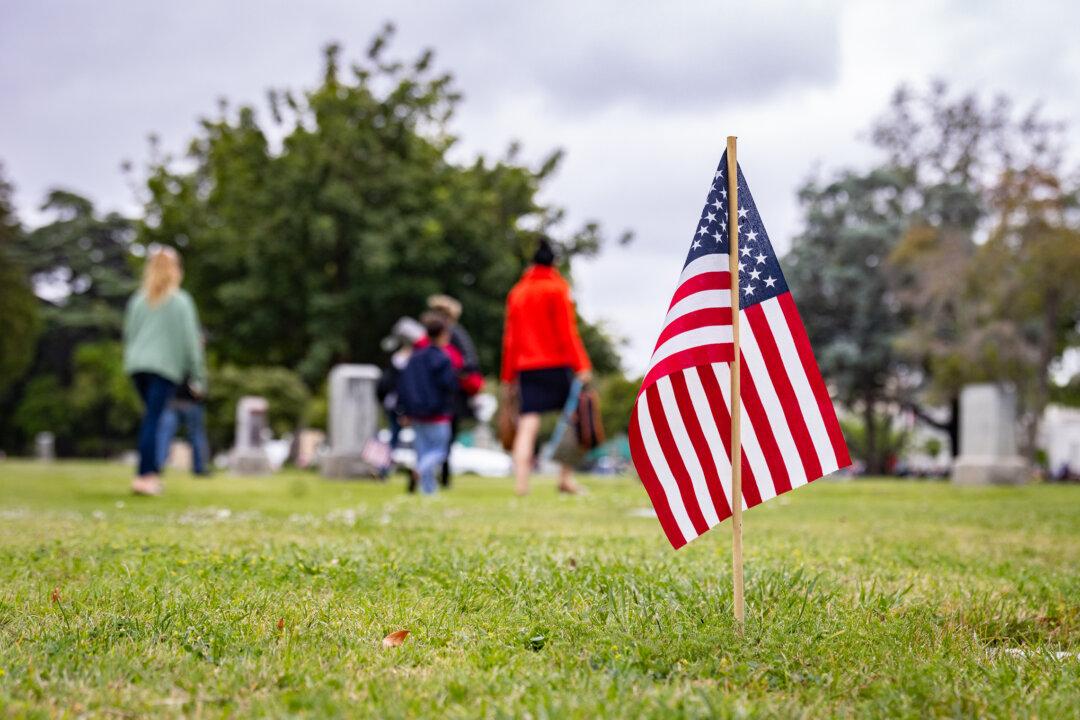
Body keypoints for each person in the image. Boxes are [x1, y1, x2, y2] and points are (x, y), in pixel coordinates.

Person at [501, 237, 591, 496]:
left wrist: (508, 376)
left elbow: (510, 339)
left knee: (528, 423)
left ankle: (521, 484)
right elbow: (567, 332)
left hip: (526, 366)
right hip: (557, 362)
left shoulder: (517, 293)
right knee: (574, 420)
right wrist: (582, 365)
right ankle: (565, 478)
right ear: (555, 263)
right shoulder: (557, 288)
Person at [122, 247, 207, 496]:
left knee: (151, 418)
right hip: (164, 368)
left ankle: (148, 472)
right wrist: (198, 376)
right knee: (154, 420)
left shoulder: (139, 300)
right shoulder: (180, 301)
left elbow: (129, 335)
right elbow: (191, 342)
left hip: (137, 367)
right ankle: (146, 477)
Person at [423, 294, 484, 488]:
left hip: (440, 393)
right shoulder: (449, 333)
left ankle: (433, 473)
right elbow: (470, 361)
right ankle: (436, 474)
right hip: (445, 393)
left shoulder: (437, 334)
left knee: (436, 438)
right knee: (442, 438)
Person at [397, 312, 458, 495]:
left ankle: (428, 490)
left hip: (417, 413)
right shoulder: (443, 358)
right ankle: (421, 470)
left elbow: (404, 386)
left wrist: (404, 410)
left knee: (422, 450)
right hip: (438, 412)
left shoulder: (414, 358)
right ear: (442, 335)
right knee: (440, 450)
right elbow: (449, 385)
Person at [376, 317, 426, 483]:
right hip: (404, 405)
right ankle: (420, 469)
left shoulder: (397, 358)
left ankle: (384, 468)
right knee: (414, 437)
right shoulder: (411, 360)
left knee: (393, 437)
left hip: (394, 404)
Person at [156, 378, 211, 477]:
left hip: (175, 401)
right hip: (186, 402)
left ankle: (158, 466)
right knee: (196, 435)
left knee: (164, 435)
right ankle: (200, 468)